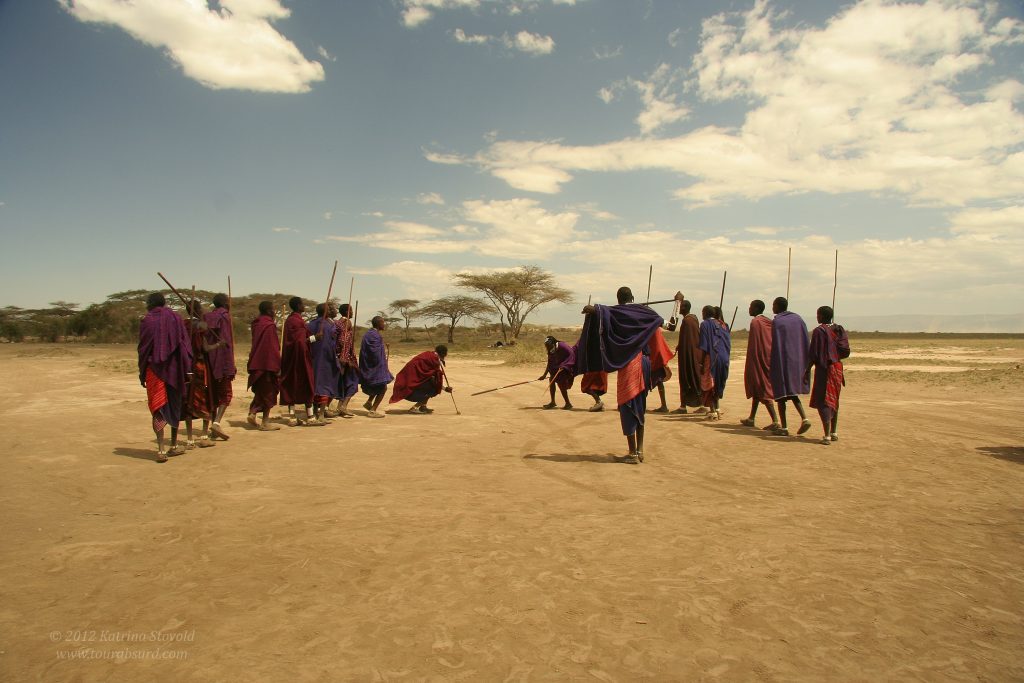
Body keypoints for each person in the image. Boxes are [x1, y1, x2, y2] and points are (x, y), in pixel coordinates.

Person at [577, 287, 677, 463]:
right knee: (640, 405)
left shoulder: (616, 312)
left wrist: (591, 308)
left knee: (627, 405)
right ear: (633, 297)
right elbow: (672, 326)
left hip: (629, 363)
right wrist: (678, 303)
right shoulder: (646, 312)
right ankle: (640, 451)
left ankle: (632, 454)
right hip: (645, 362)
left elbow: (598, 311)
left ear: (619, 299)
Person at [138, 292, 193, 462]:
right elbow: (184, 345)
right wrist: (187, 368)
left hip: (153, 370)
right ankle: (174, 445)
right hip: (174, 369)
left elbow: (142, 348)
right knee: (175, 404)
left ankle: (161, 450)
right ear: (164, 302)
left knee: (158, 406)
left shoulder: (147, 320)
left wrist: (142, 372)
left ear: (150, 304)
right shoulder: (175, 318)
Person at [769, 296, 812, 436]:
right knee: (792, 392)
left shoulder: (777, 321)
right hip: (797, 361)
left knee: (781, 394)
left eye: (773, 305)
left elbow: (775, 343)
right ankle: (804, 418)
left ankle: (785, 428)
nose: (772, 308)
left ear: (777, 306)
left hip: (782, 359)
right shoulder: (798, 319)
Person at [809, 305, 849, 445]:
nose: (817, 317)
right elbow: (845, 350)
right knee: (834, 399)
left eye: (818, 314)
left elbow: (814, 353)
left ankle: (826, 436)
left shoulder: (819, 331)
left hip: (825, 368)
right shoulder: (838, 329)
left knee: (824, 400)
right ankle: (834, 432)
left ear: (822, 316)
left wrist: (807, 370)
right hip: (837, 368)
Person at [740, 300, 780, 430]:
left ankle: (775, 421)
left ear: (757, 308)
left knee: (762, 388)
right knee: (758, 389)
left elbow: (756, 344)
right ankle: (751, 418)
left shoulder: (756, 322)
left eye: (751, 306)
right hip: (768, 358)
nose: (749, 309)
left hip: (758, 359)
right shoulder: (768, 321)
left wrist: (753, 361)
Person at [182, 300, 216, 450]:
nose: (203, 310)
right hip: (200, 366)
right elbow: (206, 348)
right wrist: (219, 345)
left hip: (187, 366)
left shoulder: (184, 325)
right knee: (205, 398)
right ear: (195, 310)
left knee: (189, 400)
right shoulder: (199, 326)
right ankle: (203, 436)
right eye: (200, 308)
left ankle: (189, 439)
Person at [203, 293, 235, 440]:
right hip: (222, 361)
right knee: (226, 395)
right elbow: (227, 342)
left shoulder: (206, 317)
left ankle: (213, 425)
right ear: (224, 303)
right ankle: (216, 423)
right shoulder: (225, 317)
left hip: (210, 360)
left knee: (214, 395)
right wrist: (230, 365)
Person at [280, 296, 316, 426]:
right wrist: (314, 338)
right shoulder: (295, 321)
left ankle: (293, 416)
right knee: (305, 383)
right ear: (298, 306)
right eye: (302, 304)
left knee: (293, 384)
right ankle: (308, 416)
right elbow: (301, 342)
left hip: (292, 359)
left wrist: (314, 338)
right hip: (299, 360)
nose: (304, 306)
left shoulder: (293, 320)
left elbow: (303, 338)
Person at [246, 301, 281, 431]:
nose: (274, 312)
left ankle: (253, 412)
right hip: (267, 363)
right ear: (268, 311)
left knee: (261, 389)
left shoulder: (256, 324)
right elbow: (272, 347)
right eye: (272, 310)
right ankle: (265, 422)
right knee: (269, 392)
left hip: (256, 361)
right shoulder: (269, 325)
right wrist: (277, 365)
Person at [389, 345, 452, 414]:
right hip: (410, 383)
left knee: (431, 385)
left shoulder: (429, 354)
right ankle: (414, 408)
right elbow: (434, 379)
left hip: (405, 379)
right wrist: (445, 388)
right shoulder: (433, 360)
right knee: (433, 388)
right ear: (443, 354)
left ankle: (423, 406)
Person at [307, 303, 340, 425]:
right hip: (326, 360)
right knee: (324, 386)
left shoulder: (310, 324)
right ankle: (321, 414)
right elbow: (331, 344)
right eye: (331, 309)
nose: (334, 310)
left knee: (315, 385)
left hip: (313, 358)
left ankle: (315, 412)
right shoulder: (329, 326)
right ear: (327, 312)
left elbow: (307, 340)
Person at [698, 304, 731, 420]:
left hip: (711, 357)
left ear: (706, 313)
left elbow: (704, 346)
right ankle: (717, 408)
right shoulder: (723, 325)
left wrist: (701, 363)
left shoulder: (705, 325)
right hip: (724, 357)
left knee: (709, 383)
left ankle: (713, 411)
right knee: (717, 382)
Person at [359, 315, 394, 418]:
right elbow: (374, 354)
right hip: (375, 367)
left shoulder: (368, 334)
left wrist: (384, 348)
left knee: (377, 385)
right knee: (383, 387)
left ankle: (369, 402)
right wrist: (382, 366)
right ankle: (373, 410)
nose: (384, 324)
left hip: (369, 366)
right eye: (383, 322)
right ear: (378, 324)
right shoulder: (375, 336)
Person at [673, 299, 702, 413]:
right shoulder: (693, 319)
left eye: (681, 306)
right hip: (692, 354)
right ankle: (700, 403)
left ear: (685, 308)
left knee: (686, 377)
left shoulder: (688, 321)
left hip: (688, 355)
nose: (680, 308)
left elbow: (689, 341)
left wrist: (683, 348)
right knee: (694, 377)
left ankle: (683, 406)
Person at [332, 303, 359, 419]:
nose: (353, 313)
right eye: (351, 310)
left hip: (339, 357)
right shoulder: (345, 323)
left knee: (342, 383)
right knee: (352, 382)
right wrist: (344, 357)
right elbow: (342, 341)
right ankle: (343, 407)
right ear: (347, 312)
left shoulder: (336, 323)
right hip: (345, 359)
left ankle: (339, 407)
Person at [538, 336, 576, 410]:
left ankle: (568, 403)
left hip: (565, 367)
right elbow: (550, 362)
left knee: (561, 385)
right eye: (546, 346)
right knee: (551, 381)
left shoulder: (562, 345)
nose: (547, 347)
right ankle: (553, 402)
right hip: (556, 368)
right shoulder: (551, 349)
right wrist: (544, 375)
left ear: (553, 343)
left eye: (548, 346)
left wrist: (564, 365)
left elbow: (571, 354)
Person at [648, 323, 675, 413]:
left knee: (649, 381)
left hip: (655, 357)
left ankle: (663, 406)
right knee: (658, 381)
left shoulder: (651, 326)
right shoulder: (654, 326)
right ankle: (664, 405)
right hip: (658, 356)